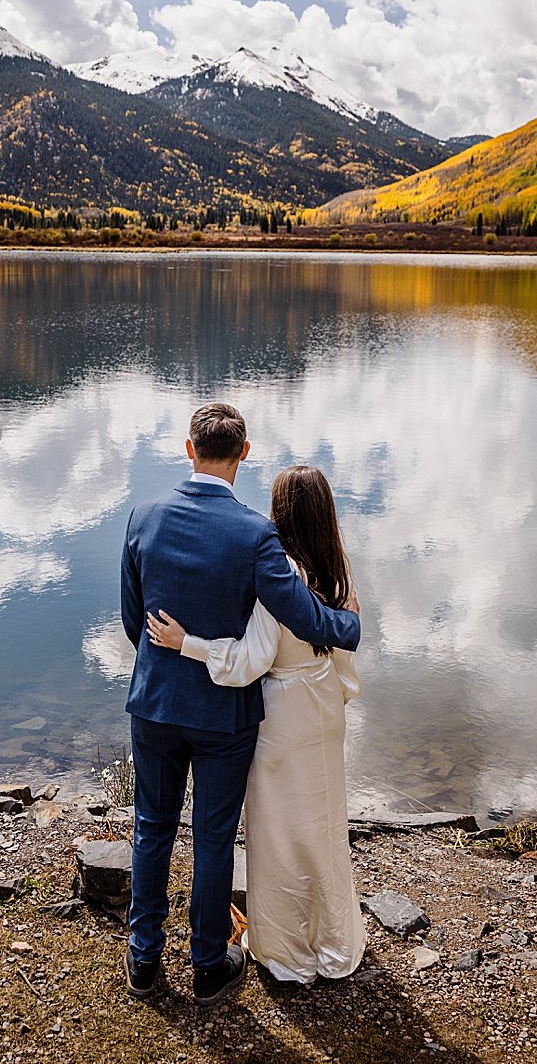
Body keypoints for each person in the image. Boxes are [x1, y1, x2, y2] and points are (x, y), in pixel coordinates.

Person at [120, 403, 362, 1007]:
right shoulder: (256, 534)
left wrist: (168, 660)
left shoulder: (143, 517)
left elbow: (132, 620)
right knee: (212, 838)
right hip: (223, 717)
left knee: (151, 830)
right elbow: (305, 619)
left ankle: (143, 960)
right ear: (245, 453)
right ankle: (207, 964)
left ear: (188, 448)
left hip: (153, 703)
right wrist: (350, 628)